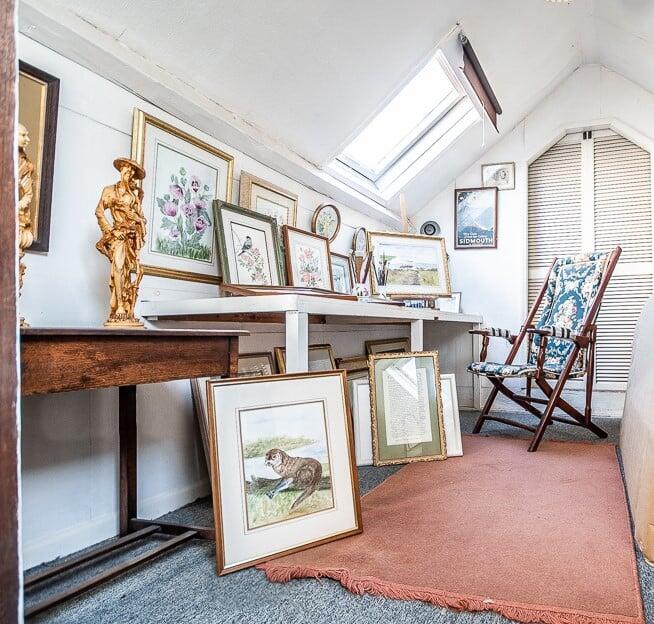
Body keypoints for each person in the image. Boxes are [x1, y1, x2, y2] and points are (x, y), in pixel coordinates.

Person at [95, 157, 147, 326]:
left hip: (132, 238)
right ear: (121, 170)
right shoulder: (110, 191)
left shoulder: (135, 195)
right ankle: (119, 307)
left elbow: (141, 218)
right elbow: (99, 212)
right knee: (118, 267)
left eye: (132, 170)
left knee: (129, 272)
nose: (129, 172)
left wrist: (137, 219)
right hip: (118, 235)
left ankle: (126, 306)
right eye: (126, 168)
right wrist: (111, 231)